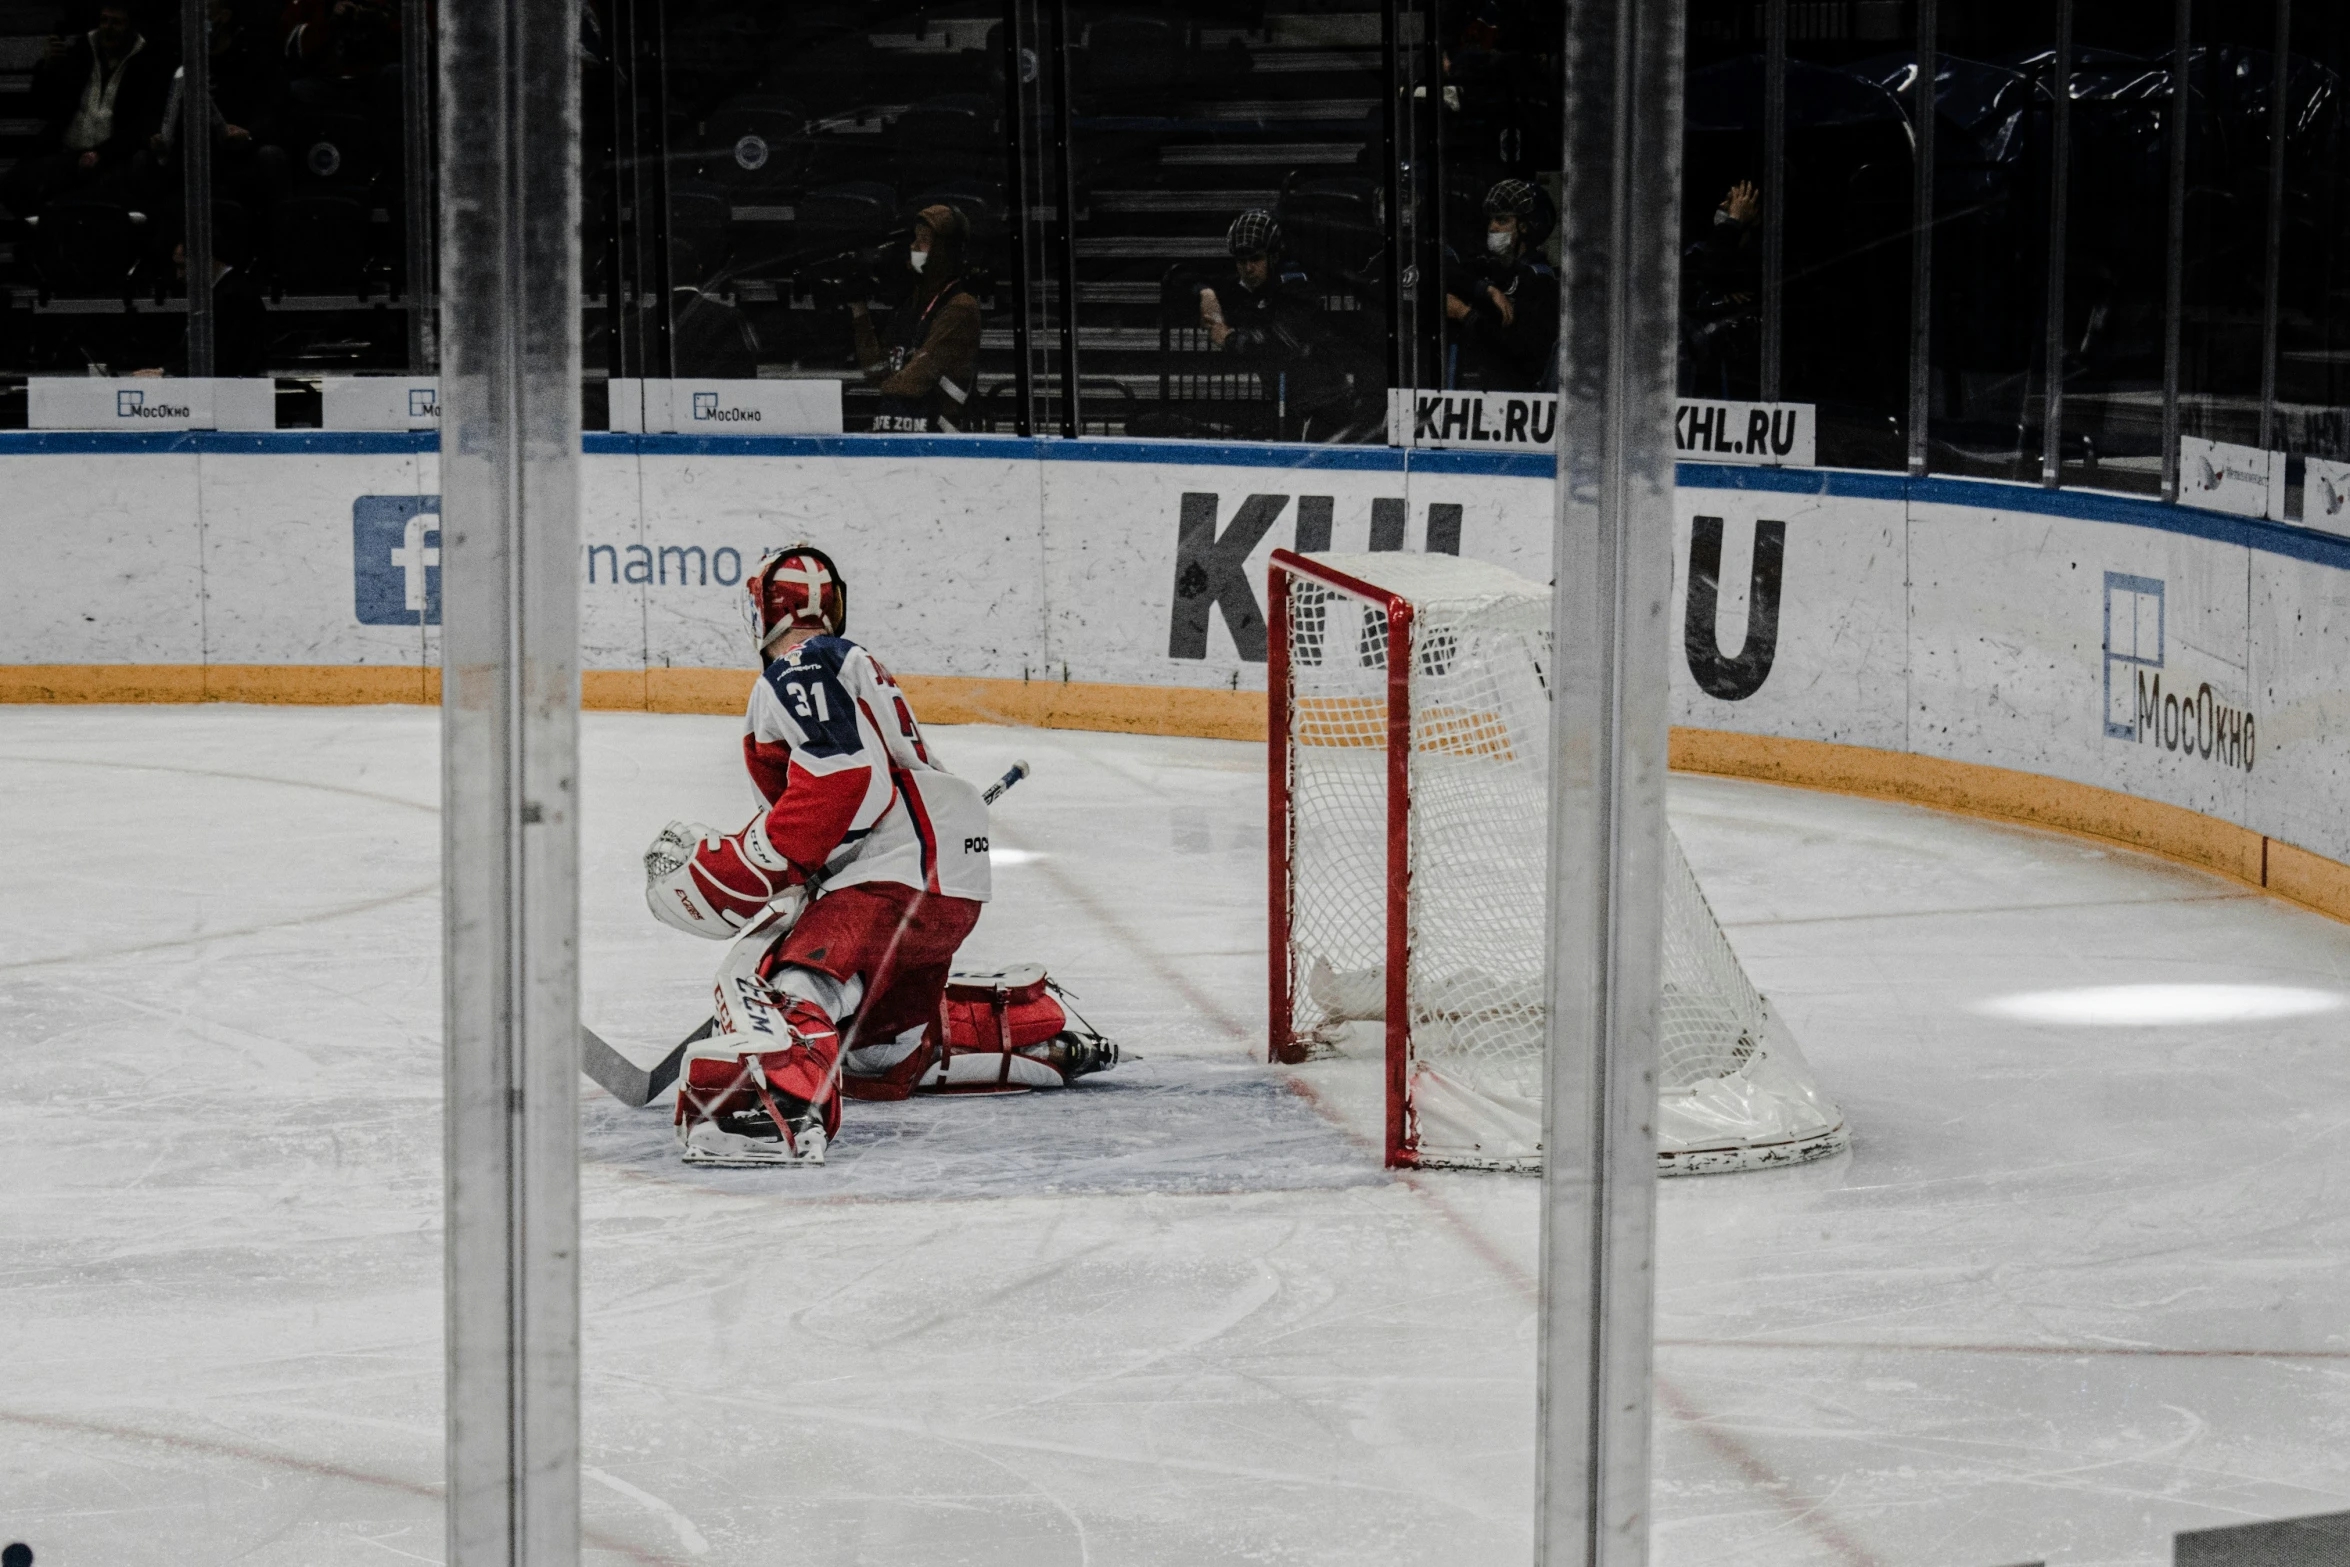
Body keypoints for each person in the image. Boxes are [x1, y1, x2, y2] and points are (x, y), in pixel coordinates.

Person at [645, 545, 994, 1165]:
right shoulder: (841, 662)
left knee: (788, 983)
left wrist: (750, 863)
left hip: (891, 880)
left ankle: (779, 1102)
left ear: (764, 611)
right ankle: (1014, 1032)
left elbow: (846, 780)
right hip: (948, 889)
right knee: (876, 1057)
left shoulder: (798, 667)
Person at [1197, 208, 1374, 442]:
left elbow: (1278, 344)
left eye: (1255, 259)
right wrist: (1205, 291)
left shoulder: (1297, 284)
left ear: (1273, 256)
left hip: (1327, 407)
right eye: (1241, 261)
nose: (1248, 268)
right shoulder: (1251, 287)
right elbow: (1188, 282)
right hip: (1290, 408)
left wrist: (1228, 337)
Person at [2, 1, 172, 219]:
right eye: (104, 20)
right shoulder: (81, 54)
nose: (108, 28)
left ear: (130, 27)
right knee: (15, 185)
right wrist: (48, 67)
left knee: (100, 197)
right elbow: (44, 106)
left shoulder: (147, 63)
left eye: (116, 22)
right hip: (69, 153)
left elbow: (141, 123)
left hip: (115, 158)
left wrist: (102, 154)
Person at [850, 204, 981, 433]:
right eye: (915, 239)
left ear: (944, 250)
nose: (913, 247)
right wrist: (858, 309)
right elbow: (875, 371)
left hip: (941, 448)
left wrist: (885, 386)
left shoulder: (961, 308)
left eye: (923, 241)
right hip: (898, 441)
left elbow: (914, 382)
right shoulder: (909, 307)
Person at [1443, 177, 1558, 390]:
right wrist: (1486, 289)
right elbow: (1445, 271)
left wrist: (1464, 314)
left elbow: (1521, 351)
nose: (1492, 227)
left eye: (1502, 220)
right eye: (1491, 220)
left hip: (1514, 397)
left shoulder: (1540, 280)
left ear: (1525, 227)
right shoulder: (1492, 268)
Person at [1682, 178, 1762, 398]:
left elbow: (1717, 275)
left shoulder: (1762, 257)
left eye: (1736, 202)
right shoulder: (1699, 251)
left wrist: (1734, 223)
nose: (1726, 207)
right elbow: (1699, 284)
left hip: (1741, 380)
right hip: (1700, 374)